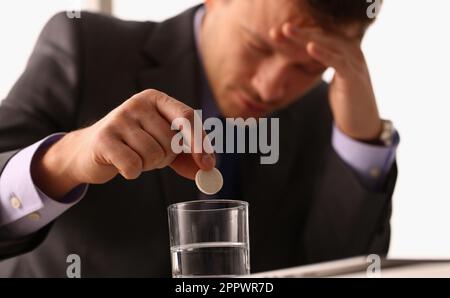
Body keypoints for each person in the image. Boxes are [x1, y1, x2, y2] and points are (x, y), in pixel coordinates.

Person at [0, 0, 398, 277]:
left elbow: (337, 266)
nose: (271, 87)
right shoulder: (87, 48)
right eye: (257, 46)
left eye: (310, 66)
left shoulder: (324, 116)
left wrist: (359, 143)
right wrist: (66, 159)